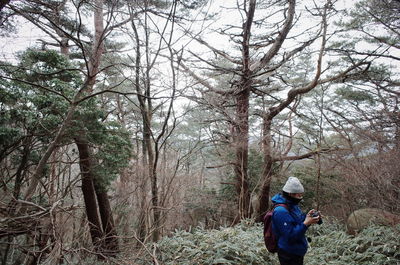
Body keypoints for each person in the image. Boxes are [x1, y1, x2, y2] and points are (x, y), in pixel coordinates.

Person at [271, 176, 322, 265]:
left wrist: (309, 218)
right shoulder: (280, 211)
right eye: (299, 195)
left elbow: (298, 222)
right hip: (288, 254)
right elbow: (290, 236)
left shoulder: (292, 205)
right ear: (290, 194)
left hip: (297, 251)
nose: (301, 197)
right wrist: (306, 223)